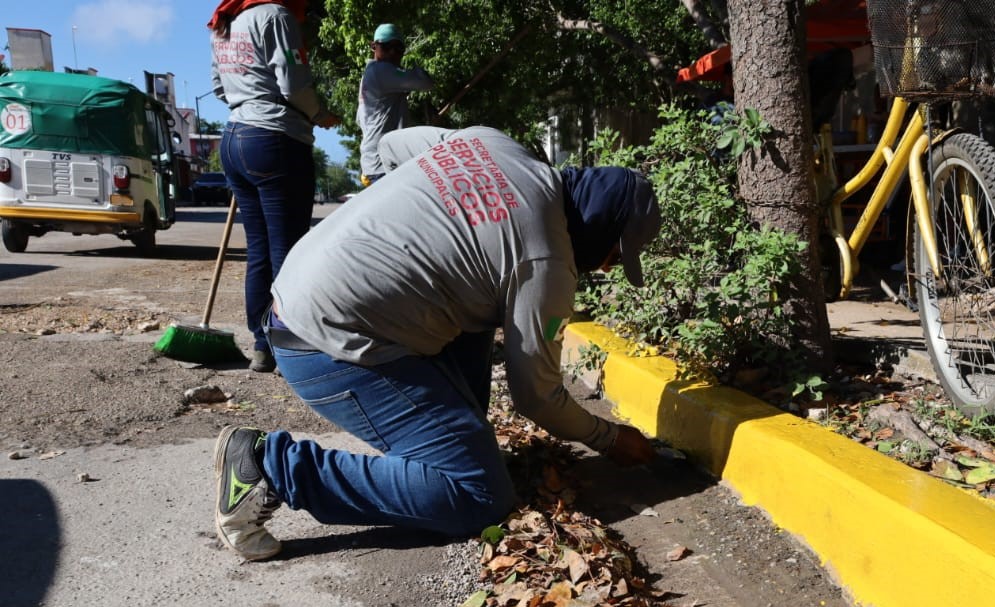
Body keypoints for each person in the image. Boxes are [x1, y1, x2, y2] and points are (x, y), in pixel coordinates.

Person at [213, 125, 661, 561]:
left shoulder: (490, 141)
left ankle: (451, 444)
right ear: (601, 227)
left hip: (298, 291)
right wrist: (607, 438)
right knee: (479, 494)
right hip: (326, 346)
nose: (605, 270)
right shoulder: (546, 261)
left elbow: (390, 146)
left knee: (482, 300)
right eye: (613, 256)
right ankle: (272, 469)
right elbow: (537, 398)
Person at [208, 0, 338, 373]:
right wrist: (319, 113)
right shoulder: (276, 16)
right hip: (275, 139)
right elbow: (294, 83)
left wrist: (247, 96)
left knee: (260, 251)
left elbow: (219, 87)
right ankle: (290, 347)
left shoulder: (224, 22)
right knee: (289, 251)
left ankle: (263, 345)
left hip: (234, 139)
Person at [357, 23, 433, 185]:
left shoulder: (368, 76)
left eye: (398, 48)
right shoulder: (381, 70)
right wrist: (415, 70)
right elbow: (425, 82)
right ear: (374, 47)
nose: (393, 52)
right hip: (385, 164)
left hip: (373, 164)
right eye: (386, 46)